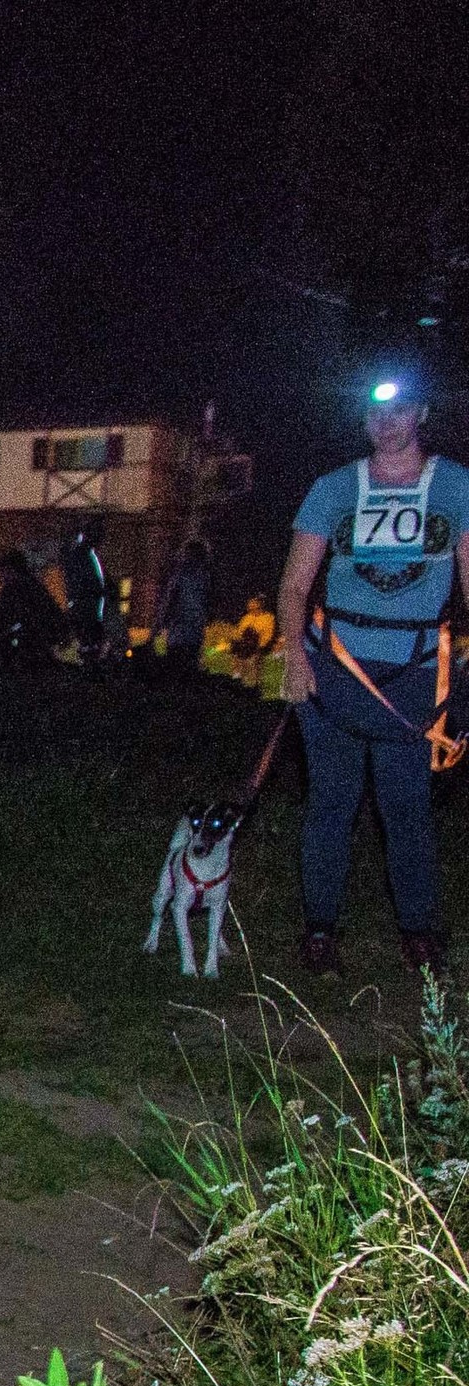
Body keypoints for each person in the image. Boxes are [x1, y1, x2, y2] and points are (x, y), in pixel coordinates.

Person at [274, 370, 469, 977]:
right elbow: (295, 584)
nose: (389, 423)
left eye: (402, 410)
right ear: (364, 422)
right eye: (377, 414)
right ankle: (320, 932)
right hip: (334, 670)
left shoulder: (456, 487)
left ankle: (418, 933)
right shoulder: (333, 489)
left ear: (422, 415)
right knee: (331, 803)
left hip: (413, 675)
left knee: (406, 806)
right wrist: (296, 659)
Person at [155, 535, 213, 676]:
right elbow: (208, 602)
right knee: (190, 667)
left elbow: (169, 599)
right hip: (195, 631)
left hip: (179, 630)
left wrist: (161, 623)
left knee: (175, 668)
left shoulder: (180, 574)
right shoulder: (205, 576)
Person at [60, 522, 111, 667]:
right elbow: (97, 585)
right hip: (87, 605)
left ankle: (88, 659)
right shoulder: (87, 556)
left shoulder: (75, 555)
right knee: (90, 638)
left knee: (86, 638)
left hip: (80, 604)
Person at [229, 594, 277, 684]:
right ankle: (237, 675)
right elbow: (239, 632)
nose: (250, 606)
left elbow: (268, 635)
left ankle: (253, 682)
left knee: (252, 657)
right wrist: (238, 639)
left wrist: (260, 645)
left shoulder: (268, 618)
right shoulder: (246, 617)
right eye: (250, 604)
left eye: (253, 604)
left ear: (259, 605)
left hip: (258, 643)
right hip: (245, 643)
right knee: (237, 650)